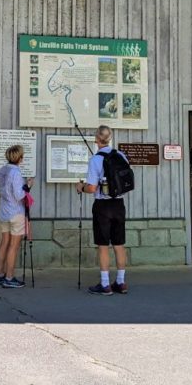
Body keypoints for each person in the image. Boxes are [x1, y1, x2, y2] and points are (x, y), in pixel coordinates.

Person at [76, 125, 129, 295]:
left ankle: (105, 284)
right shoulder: (121, 156)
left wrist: (81, 187)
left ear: (96, 139)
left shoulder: (95, 160)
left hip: (102, 206)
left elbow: (92, 188)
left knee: (103, 245)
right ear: (110, 137)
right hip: (119, 203)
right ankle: (121, 282)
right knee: (119, 245)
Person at [0, 144, 33, 288]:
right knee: (14, 246)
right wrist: (28, 186)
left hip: (4, 211)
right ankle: (9, 277)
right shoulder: (16, 173)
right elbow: (19, 195)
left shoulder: (3, 170)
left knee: (4, 242)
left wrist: (3, 192)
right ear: (20, 158)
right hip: (16, 212)